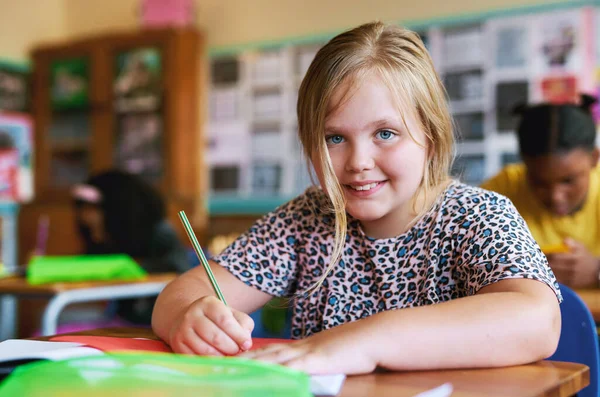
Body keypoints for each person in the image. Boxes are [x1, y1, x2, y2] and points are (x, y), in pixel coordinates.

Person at [152, 21, 561, 375]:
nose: (358, 162)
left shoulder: (478, 215)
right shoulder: (307, 220)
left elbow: (537, 320)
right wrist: (191, 316)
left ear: (431, 139)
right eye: (334, 138)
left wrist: (365, 340)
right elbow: (178, 295)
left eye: (385, 133)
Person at [481, 95, 600, 289]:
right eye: (538, 182)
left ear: (594, 158)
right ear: (524, 163)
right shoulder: (501, 192)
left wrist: (597, 271)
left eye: (568, 181)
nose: (555, 196)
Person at [72, 169, 191, 325]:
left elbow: (176, 269)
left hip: (156, 318)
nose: (84, 215)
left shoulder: (159, 232)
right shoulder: (108, 235)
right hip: (123, 317)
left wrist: (127, 267)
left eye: (92, 209)